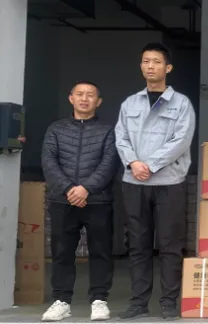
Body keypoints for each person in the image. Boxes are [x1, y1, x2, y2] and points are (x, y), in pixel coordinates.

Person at [115, 43, 196, 321]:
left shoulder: (181, 103)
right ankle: (138, 303)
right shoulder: (130, 103)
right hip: (134, 182)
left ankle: (169, 303)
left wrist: (149, 165)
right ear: (141, 66)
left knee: (170, 245)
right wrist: (133, 163)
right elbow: (121, 137)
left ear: (168, 68)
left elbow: (181, 140)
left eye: (157, 62)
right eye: (146, 61)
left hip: (169, 182)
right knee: (138, 245)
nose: (150, 66)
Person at [40, 81, 118, 322]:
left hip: (98, 201)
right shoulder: (56, 129)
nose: (84, 99)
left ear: (99, 101)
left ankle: (99, 300)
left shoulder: (108, 130)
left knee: (101, 251)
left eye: (90, 95)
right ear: (71, 98)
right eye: (80, 94)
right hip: (62, 201)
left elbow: (109, 163)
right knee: (62, 252)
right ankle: (62, 301)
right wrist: (69, 190)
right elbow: (48, 161)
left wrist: (86, 189)